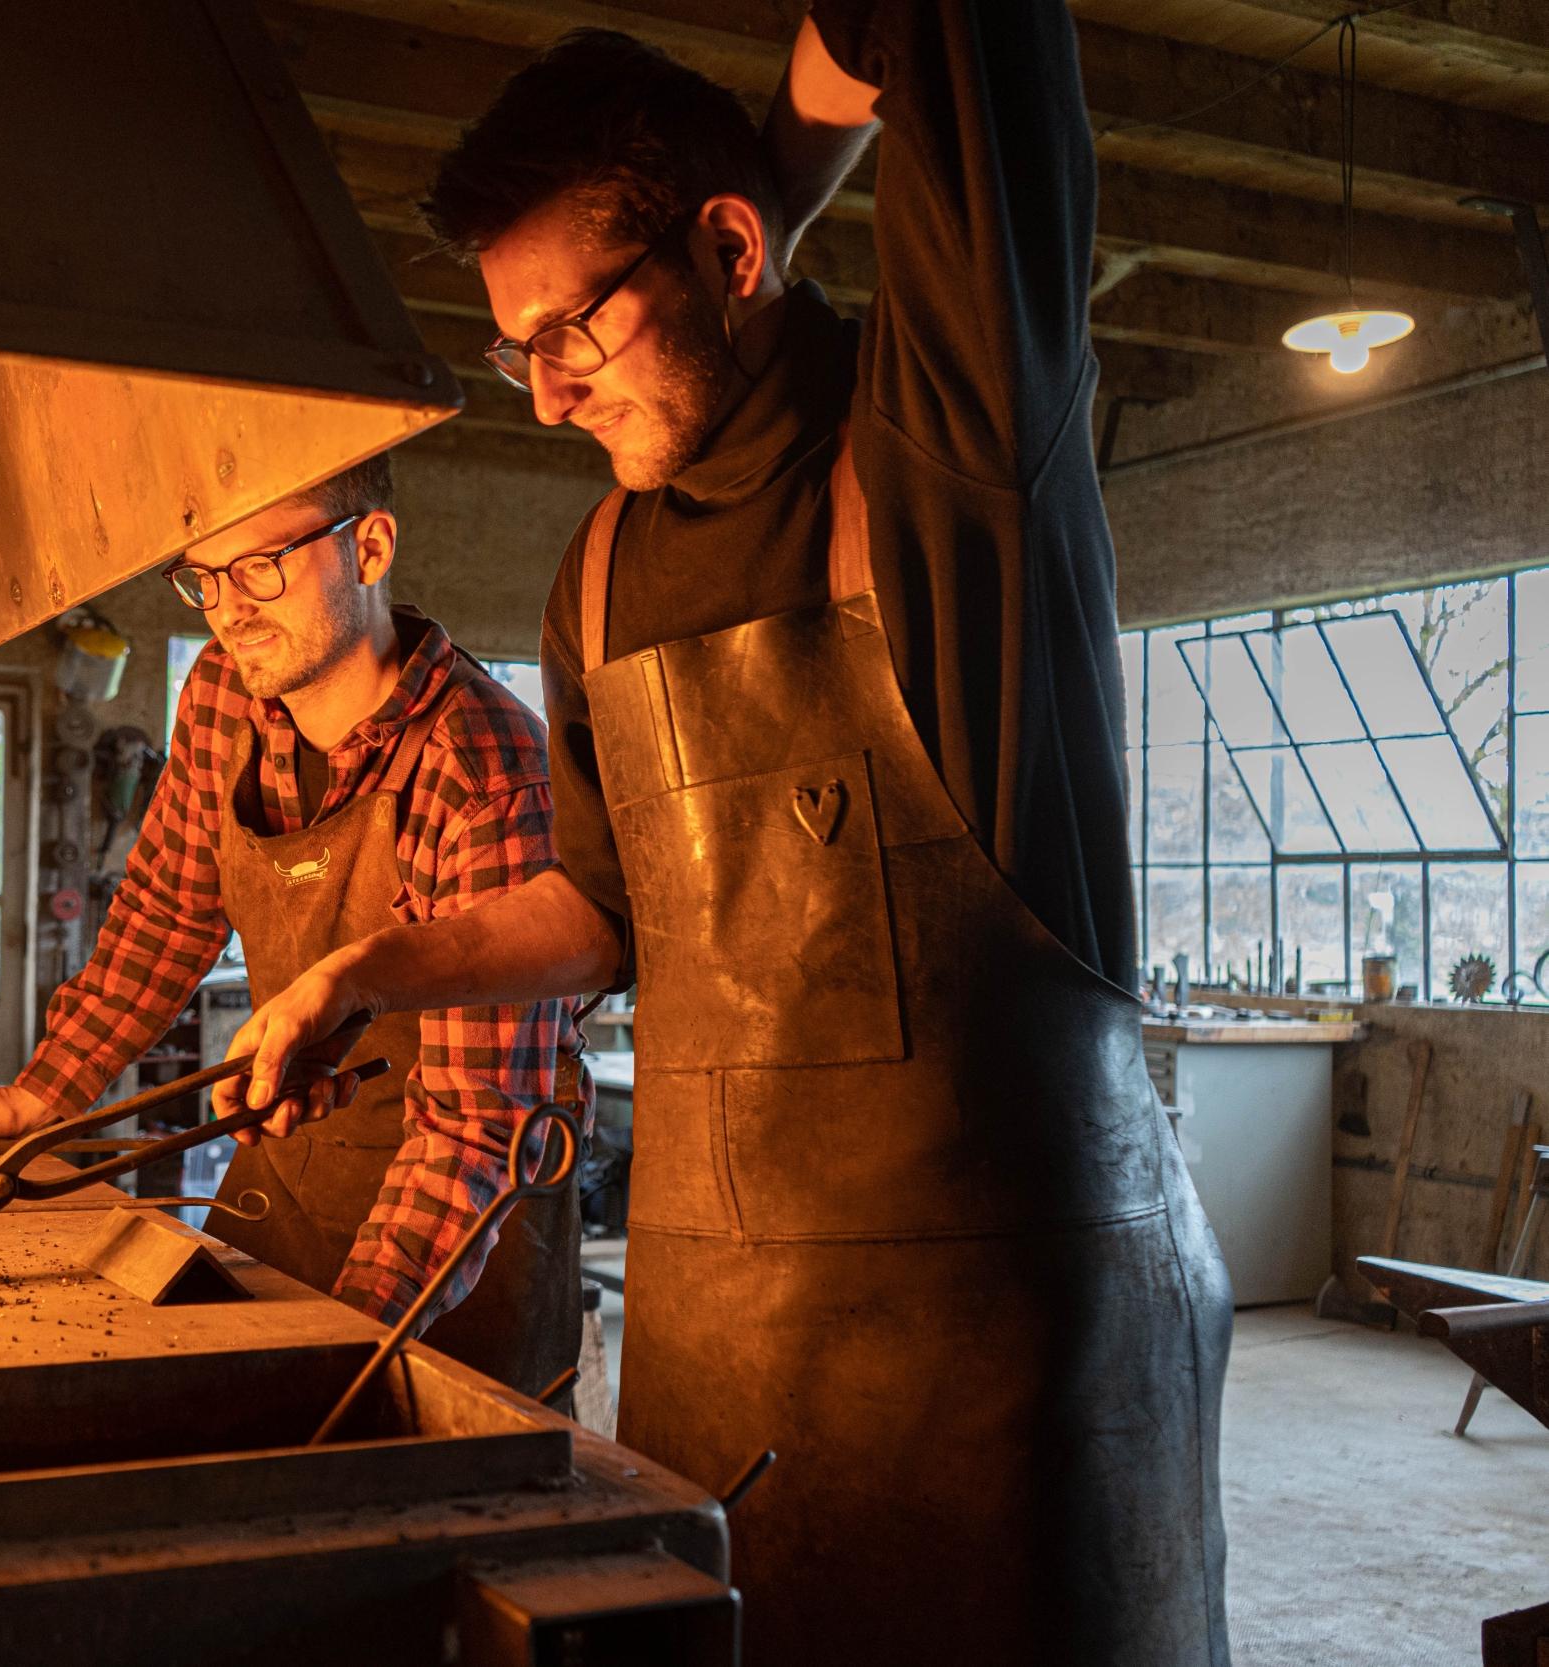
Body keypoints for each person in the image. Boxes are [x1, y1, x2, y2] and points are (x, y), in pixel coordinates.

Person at [216, 10, 1232, 1664]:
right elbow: (603, 907)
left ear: (734, 251)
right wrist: (367, 971)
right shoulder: (599, 574)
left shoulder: (950, 455)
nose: (549, 398)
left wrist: (773, 179)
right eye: (519, 351)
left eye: (573, 329)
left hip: (1009, 1380)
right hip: (721, 1363)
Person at [0, 455, 587, 1402]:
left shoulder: (486, 772)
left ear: (370, 547)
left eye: (262, 567)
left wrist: (342, 1343)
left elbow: (474, 1127)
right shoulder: (226, 693)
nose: (227, 609)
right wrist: (40, 1098)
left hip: (462, 1228)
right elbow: (164, 915)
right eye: (204, 577)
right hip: (291, 1166)